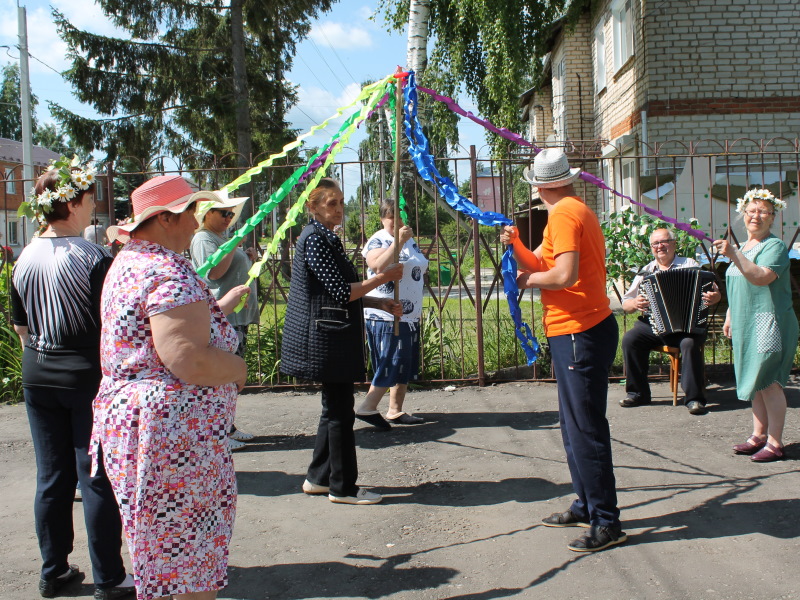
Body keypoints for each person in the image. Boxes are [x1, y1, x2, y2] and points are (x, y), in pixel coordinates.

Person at [94, 175, 249, 600]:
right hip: (173, 440)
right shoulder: (162, 267)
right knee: (187, 558)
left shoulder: (130, 261)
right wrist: (237, 367)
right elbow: (188, 359)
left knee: (163, 551)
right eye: (189, 214)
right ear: (164, 218)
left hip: (146, 431)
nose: (196, 223)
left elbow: (160, 332)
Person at [10, 158, 135, 600]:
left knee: (52, 475)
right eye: (89, 199)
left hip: (38, 371)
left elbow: (20, 326)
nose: (93, 207)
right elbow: (115, 321)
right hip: (84, 373)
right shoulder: (94, 256)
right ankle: (109, 577)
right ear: (75, 204)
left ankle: (53, 570)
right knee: (95, 475)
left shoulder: (24, 256)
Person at [500, 148, 624, 553]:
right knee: (573, 427)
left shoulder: (566, 214)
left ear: (540, 186)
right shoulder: (568, 211)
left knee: (585, 429)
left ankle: (607, 521)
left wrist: (525, 283)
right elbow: (540, 261)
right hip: (575, 330)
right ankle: (587, 504)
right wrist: (517, 244)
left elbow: (563, 274)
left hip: (580, 331)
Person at [281, 178, 403, 505]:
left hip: (331, 334)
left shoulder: (326, 238)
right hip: (325, 338)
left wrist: (379, 302)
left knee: (333, 409)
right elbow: (340, 291)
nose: (339, 209)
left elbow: (344, 290)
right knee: (339, 413)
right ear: (313, 207)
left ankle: (319, 479)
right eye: (331, 203)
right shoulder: (315, 240)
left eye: (340, 202)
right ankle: (343, 487)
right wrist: (383, 278)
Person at [712, 189, 798, 462]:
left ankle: (775, 442)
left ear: (773, 217)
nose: (756, 216)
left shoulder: (774, 247)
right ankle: (759, 434)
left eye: (763, 212)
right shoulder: (746, 248)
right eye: (751, 211)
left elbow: (761, 277)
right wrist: (730, 316)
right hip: (747, 322)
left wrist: (734, 255)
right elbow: (738, 286)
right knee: (755, 379)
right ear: (743, 214)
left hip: (768, 322)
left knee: (769, 381)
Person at [620, 228, 721, 414]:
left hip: (687, 326)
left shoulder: (689, 264)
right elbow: (625, 303)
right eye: (655, 244)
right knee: (630, 339)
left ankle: (694, 399)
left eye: (664, 242)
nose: (660, 247)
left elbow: (714, 292)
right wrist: (634, 302)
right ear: (651, 248)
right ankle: (638, 393)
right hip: (654, 325)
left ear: (674, 244)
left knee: (689, 344)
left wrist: (714, 297)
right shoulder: (645, 272)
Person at [190, 196, 259, 451]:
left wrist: (247, 255)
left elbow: (232, 268)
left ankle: (226, 426)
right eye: (223, 213)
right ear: (207, 214)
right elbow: (214, 273)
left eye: (231, 215)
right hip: (222, 315)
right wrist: (235, 245)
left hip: (236, 317)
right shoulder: (203, 238)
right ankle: (216, 432)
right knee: (221, 376)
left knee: (230, 377)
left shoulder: (222, 238)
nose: (229, 219)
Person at [355, 199, 429, 429]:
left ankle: (395, 410)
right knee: (391, 361)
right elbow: (378, 266)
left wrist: (404, 240)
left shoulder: (410, 240)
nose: (396, 221)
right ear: (382, 218)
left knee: (404, 362)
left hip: (409, 313)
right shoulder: (379, 239)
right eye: (390, 216)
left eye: (400, 216)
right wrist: (397, 241)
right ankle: (367, 406)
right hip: (386, 313)